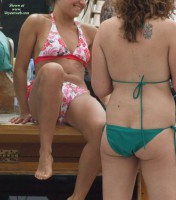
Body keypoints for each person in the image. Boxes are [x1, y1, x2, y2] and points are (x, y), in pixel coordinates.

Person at [10, 0, 106, 199]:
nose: (82, 2)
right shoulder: (36, 22)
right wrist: (24, 110)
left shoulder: (91, 32)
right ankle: (45, 152)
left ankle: (78, 196)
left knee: (101, 128)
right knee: (54, 70)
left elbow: (97, 80)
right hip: (43, 92)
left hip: (76, 95)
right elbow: (19, 69)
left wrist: (114, 105)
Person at [91, 0, 176, 199]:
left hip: (116, 129)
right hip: (157, 130)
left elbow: (101, 88)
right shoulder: (170, 29)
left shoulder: (104, 30)